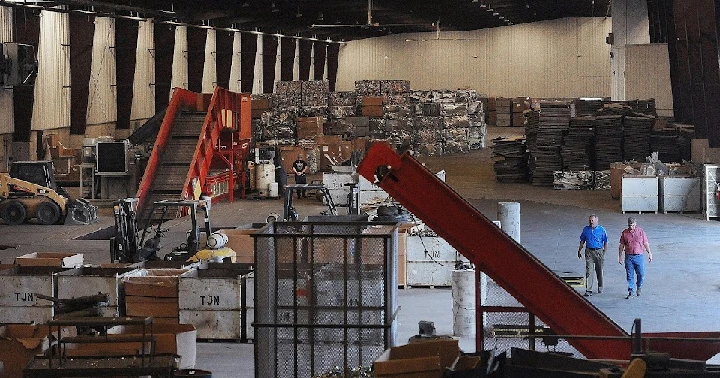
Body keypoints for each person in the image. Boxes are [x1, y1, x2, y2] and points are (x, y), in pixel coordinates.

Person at [618, 217, 653, 299]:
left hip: (639, 256)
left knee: (641, 274)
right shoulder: (624, 233)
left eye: (633, 225)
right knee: (630, 275)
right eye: (630, 225)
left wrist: (650, 253)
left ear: (635, 224)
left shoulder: (641, 232)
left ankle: (639, 286)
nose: (631, 227)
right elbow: (621, 246)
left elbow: (645, 243)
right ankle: (631, 291)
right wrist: (620, 256)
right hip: (629, 256)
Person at [577, 214, 608, 297]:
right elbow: (582, 240)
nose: (591, 222)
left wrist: (603, 252)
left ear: (597, 221)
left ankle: (600, 285)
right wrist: (579, 250)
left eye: (593, 221)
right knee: (589, 270)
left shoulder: (602, 230)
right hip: (589, 251)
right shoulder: (586, 230)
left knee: (599, 270)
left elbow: (605, 242)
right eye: (590, 220)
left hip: (598, 251)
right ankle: (589, 290)